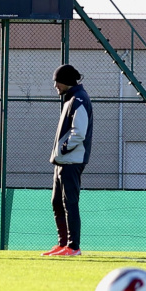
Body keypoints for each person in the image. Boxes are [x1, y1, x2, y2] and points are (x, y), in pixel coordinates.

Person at [47, 64, 93, 257]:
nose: (55, 85)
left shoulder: (79, 100)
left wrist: (63, 149)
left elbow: (78, 133)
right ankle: (63, 244)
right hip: (63, 161)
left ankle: (74, 247)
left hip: (71, 161)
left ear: (65, 80)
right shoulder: (71, 99)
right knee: (57, 202)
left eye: (56, 81)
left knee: (69, 202)